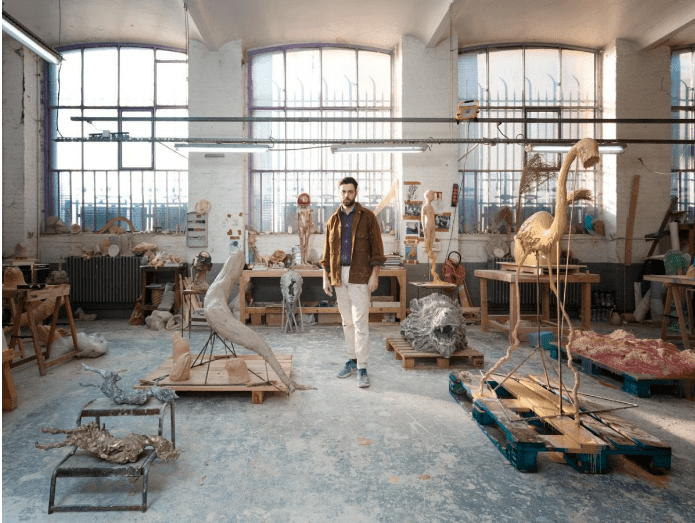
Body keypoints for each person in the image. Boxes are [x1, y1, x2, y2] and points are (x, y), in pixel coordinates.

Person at [321, 177, 386, 388]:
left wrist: (374, 274)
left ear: (356, 193)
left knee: (360, 324)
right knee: (347, 323)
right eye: (343, 192)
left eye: (350, 191)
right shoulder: (333, 220)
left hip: (360, 276)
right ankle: (352, 359)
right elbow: (327, 253)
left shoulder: (368, 217)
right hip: (339, 276)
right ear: (339, 193)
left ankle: (363, 367)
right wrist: (326, 277)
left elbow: (377, 249)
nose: (346, 195)